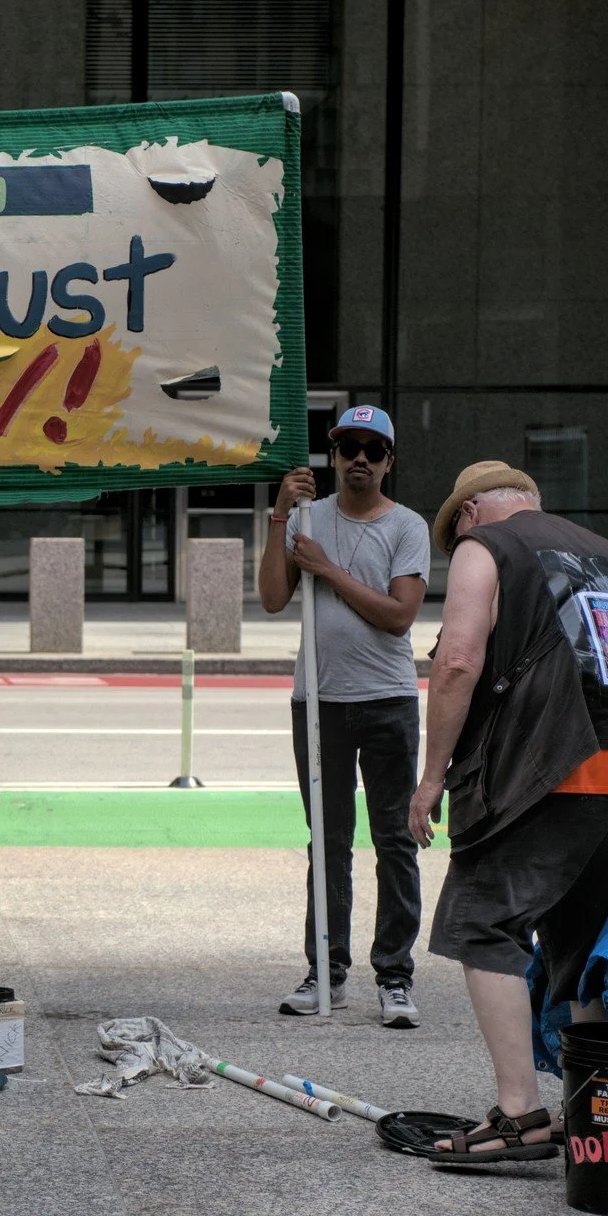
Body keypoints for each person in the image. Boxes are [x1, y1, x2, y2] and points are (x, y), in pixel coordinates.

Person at [410, 461, 608, 1163]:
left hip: (554, 768)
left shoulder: (486, 548)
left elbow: (459, 659)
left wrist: (432, 776)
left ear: (469, 512)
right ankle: (594, 1113)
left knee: (483, 921)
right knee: (581, 941)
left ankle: (519, 1112)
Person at [256, 404, 430, 1027]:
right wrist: (279, 511)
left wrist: (327, 570)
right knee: (327, 842)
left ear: (388, 462)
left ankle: (395, 976)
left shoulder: (407, 526)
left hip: (386, 700)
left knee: (393, 839)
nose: (360, 457)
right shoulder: (306, 517)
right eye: (349, 446)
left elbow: (398, 615)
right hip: (319, 703)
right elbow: (275, 598)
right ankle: (325, 969)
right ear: (332, 455)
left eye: (373, 449)